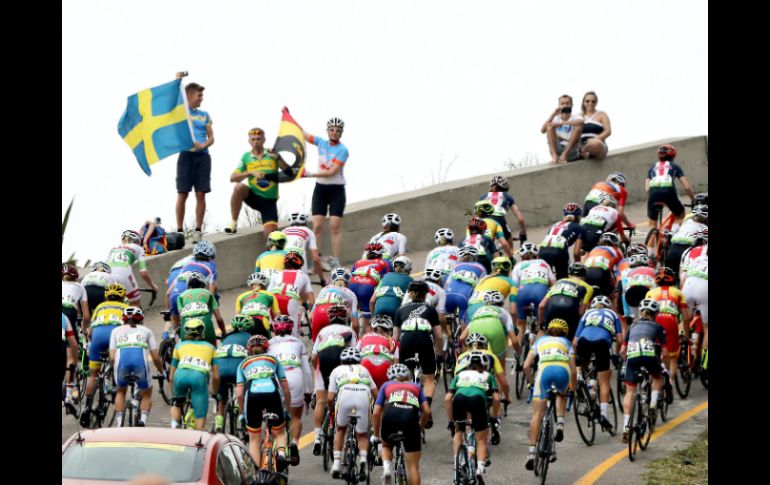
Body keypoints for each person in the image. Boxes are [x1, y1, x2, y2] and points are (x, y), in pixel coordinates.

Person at [288, 108, 350, 269]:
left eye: (338, 130)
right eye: (332, 130)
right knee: (317, 227)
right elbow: (303, 133)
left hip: (337, 190)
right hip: (320, 190)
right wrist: (288, 116)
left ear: (341, 133)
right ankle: (317, 261)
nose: (334, 132)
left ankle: (336, 261)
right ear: (328, 131)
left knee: (335, 226)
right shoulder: (321, 143)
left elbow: (332, 172)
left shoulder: (343, 150)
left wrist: (308, 174)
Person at [524, 319, 576, 470]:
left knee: (537, 415)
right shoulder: (566, 343)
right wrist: (573, 388)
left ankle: (531, 453)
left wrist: (531, 382)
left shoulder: (540, 341)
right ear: (564, 332)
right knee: (561, 394)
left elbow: (526, 365)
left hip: (544, 372)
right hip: (562, 371)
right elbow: (573, 371)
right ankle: (560, 423)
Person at [236, 334, 291, 470]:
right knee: (279, 432)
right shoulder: (273, 359)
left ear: (249, 349)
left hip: (252, 395)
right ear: (266, 347)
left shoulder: (243, 364)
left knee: (254, 438)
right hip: (272, 393)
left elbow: (239, 394)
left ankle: (255, 471)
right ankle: (282, 455)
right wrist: (287, 410)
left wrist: (243, 413)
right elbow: (286, 389)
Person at [225, 127, 291, 237]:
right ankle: (233, 223)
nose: (256, 142)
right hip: (254, 197)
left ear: (264, 140)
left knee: (271, 236)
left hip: (269, 201)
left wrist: (279, 158)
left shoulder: (271, 154)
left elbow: (289, 173)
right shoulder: (246, 157)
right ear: (249, 141)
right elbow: (232, 178)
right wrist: (249, 173)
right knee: (239, 187)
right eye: (253, 139)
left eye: (259, 139)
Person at [393, 280, 443, 428]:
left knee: (403, 376)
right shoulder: (430, 310)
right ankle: (426, 407)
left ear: (410, 294)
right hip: (424, 341)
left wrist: (395, 358)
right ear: (425, 295)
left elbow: (395, 338)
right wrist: (439, 353)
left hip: (406, 342)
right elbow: (439, 336)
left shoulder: (400, 310)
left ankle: (403, 404)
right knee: (428, 378)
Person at [371, 363, 431, 485]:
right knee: (413, 467)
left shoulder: (386, 385)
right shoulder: (415, 386)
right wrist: (419, 426)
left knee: (387, 445)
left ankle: (387, 468)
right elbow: (427, 411)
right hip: (410, 418)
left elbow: (376, 412)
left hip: (391, 414)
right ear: (407, 377)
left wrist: (377, 435)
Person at [80, 283, 129, 427]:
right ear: (122, 297)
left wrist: (92, 343)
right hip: (114, 336)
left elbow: (89, 331)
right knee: (116, 361)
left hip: (97, 338)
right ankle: (113, 384)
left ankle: (87, 407)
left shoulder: (100, 307)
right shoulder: (126, 308)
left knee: (93, 375)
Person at [311, 305, 358, 455]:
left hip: (323, 362)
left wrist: (316, 370)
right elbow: (356, 355)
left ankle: (317, 437)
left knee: (320, 401)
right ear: (345, 319)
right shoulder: (349, 331)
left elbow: (313, 357)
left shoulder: (323, 332)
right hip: (340, 362)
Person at [445, 351, 499, 480]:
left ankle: (457, 463)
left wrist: (451, 422)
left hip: (459, 399)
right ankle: (479, 469)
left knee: (459, 431)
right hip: (478, 400)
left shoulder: (460, 374)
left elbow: (447, 398)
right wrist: (493, 418)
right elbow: (496, 398)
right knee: (481, 439)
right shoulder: (488, 376)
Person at [620, 299, 667, 442]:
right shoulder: (658, 326)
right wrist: (662, 364)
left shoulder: (632, 326)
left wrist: (625, 363)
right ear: (656, 313)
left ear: (641, 312)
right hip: (648, 353)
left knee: (630, 392)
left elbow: (623, 350)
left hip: (633, 356)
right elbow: (664, 353)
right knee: (657, 377)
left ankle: (626, 426)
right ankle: (653, 403)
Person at [573, 295, 623, 431]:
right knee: (605, 381)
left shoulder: (587, 313)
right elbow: (619, 339)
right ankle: (603, 415)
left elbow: (575, 341)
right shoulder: (613, 314)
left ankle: (579, 377)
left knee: (582, 363)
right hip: (602, 343)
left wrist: (576, 358)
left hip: (584, 340)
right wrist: (617, 354)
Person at [327, 347, 379, 480]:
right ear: (359, 361)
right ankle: (362, 461)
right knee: (362, 434)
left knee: (340, 430)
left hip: (345, 394)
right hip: (363, 395)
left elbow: (330, 397)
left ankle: (337, 465)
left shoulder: (336, 370)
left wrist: (332, 410)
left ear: (342, 361)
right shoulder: (364, 370)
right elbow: (376, 394)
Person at [268, 314, 313, 466]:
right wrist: (308, 391)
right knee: (296, 416)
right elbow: (307, 370)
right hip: (295, 375)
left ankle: (275, 449)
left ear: (274, 329)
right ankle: (294, 443)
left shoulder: (269, 344)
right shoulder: (298, 343)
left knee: (274, 415)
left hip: (277, 377)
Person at [175, 74, 214, 242]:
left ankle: (198, 230)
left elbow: (211, 137)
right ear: (190, 96)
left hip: (202, 157)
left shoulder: (204, 115)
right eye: (199, 96)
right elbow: (174, 98)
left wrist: (203, 145)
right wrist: (177, 81)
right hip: (185, 155)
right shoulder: (181, 112)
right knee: (182, 193)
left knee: (201, 193)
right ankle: (179, 230)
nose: (201, 99)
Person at [109, 307, 164, 427]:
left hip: (122, 364)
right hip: (140, 363)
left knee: (121, 391)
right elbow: (155, 357)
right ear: (141, 320)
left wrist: (113, 371)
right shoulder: (147, 331)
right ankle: (143, 420)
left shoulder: (116, 331)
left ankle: (119, 423)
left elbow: (112, 358)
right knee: (147, 393)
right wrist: (161, 371)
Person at [169, 319, 219, 430]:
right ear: (202, 332)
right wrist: (214, 392)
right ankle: (197, 437)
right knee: (200, 415)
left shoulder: (179, 346)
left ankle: (174, 427)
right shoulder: (211, 347)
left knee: (177, 404)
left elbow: (171, 376)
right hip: (198, 377)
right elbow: (216, 376)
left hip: (180, 375)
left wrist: (173, 395)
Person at [212, 314, 254, 434]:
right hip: (237, 369)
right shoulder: (250, 337)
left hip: (221, 370)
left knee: (221, 398)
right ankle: (241, 412)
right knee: (245, 390)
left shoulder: (226, 338)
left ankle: (219, 422)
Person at [645, 143, 696, 234]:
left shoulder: (652, 168)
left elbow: (647, 189)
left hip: (653, 194)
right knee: (680, 215)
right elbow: (686, 187)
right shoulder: (675, 166)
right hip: (668, 192)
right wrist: (693, 199)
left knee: (652, 224)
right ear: (673, 156)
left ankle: (649, 248)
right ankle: (671, 234)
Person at [108, 230, 160, 307]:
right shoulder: (138, 248)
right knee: (135, 302)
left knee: (112, 303)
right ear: (137, 241)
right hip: (124, 273)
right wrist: (153, 286)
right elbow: (143, 273)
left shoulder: (113, 248)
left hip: (108, 275)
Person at [538, 203, 587, 279]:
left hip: (542, 252)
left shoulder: (554, 225)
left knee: (545, 278)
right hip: (559, 252)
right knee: (562, 279)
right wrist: (578, 266)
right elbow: (576, 252)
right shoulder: (579, 228)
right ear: (578, 217)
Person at [176, 271, 226, 345]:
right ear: (203, 283)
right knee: (212, 352)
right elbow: (219, 319)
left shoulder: (180, 296)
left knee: (185, 352)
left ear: (188, 284)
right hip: (205, 325)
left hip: (187, 326)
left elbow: (181, 318)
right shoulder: (208, 293)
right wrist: (224, 333)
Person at [312, 268, 360, 339]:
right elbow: (355, 325)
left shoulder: (324, 289)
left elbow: (310, 316)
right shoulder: (351, 294)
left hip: (318, 314)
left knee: (317, 347)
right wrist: (356, 339)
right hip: (334, 315)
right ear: (348, 282)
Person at [480, 176, 528, 246]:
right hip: (499, 222)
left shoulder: (482, 197)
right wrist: (523, 234)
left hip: (483, 224)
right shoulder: (507, 196)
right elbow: (521, 220)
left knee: (487, 247)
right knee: (509, 247)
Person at [358, 315, 400, 390]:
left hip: (365, 365)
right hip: (383, 367)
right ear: (389, 331)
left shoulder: (364, 337)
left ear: (373, 329)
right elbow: (396, 363)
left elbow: (355, 354)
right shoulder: (392, 341)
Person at [283, 212, 325, 284]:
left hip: (283, 268)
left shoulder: (283, 231)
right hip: (300, 268)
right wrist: (322, 280)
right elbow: (315, 258)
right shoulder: (308, 231)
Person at [235, 272, 281, 338]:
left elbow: (237, 316)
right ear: (264, 285)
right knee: (268, 344)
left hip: (245, 321)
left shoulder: (240, 296)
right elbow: (277, 315)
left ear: (250, 285)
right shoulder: (270, 295)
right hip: (262, 320)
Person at [370, 255, 414, 325]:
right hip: (395, 310)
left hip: (379, 310)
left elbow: (372, 300)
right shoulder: (410, 280)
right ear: (408, 269)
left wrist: (372, 317)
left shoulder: (385, 276)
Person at [541, 94, 584, 164]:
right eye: (562, 103)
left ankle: (565, 155)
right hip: (558, 149)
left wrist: (561, 123)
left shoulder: (576, 117)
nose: (565, 105)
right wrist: (553, 114)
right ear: (559, 105)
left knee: (579, 127)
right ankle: (554, 156)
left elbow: (581, 122)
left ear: (571, 105)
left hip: (571, 150)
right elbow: (543, 130)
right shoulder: (556, 118)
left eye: (567, 103)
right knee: (549, 126)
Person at [578, 91, 612, 160]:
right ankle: (583, 152)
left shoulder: (602, 115)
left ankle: (583, 152)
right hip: (581, 143)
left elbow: (608, 131)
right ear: (583, 102)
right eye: (587, 101)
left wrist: (595, 139)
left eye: (593, 101)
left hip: (598, 144)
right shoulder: (578, 116)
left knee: (596, 144)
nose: (590, 103)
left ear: (596, 103)